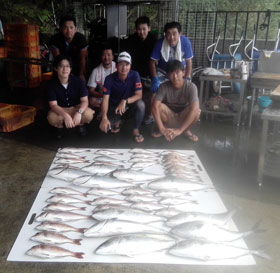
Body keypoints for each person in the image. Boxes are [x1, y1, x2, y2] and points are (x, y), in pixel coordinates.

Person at [147, 21, 194, 124]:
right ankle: (151, 115)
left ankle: (191, 114)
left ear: (180, 34)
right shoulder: (159, 43)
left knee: (188, 89)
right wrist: (154, 79)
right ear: (165, 34)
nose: (171, 37)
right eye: (168, 33)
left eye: (174, 33)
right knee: (154, 91)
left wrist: (187, 77)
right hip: (163, 71)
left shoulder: (185, 42)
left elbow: (189, 61)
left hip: (180, 71)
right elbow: (152, 62)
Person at [99, 52, 145, 143]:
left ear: (130, 66)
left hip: (129, 107)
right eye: (121, 64)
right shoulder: (109, 79)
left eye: (127, 65)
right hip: (115, 109)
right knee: (105, 128)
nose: (124, 68)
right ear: (116, 66)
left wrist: (125, 101)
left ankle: (136, 130)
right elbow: (105, 99)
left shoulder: (135, 75)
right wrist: (104, 118)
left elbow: (139, 95)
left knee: (141, 105)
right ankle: (119, 120)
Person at [151, 60, 200, 142]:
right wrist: (162, 128)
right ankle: (164, 130)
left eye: (177, 72)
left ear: (183, 73)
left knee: (197, 111)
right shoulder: (163, 87)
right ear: (167, 75)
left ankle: (185, 130)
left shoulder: (191, 87)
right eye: (171, 73)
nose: (175, 76)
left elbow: (195, 108)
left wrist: (180, 130)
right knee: (156, 105)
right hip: (168, 117)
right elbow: (154, 107)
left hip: (183, 117)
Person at [47, 55, 94, 139]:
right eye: (61, 66)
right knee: (52, 118)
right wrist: (65, 115)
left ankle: (80, 124)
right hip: (61, 110)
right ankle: (59, 127)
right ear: (55, 68)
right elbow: (53, 105)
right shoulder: (51, 84)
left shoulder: (78, 81)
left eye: (67, 66)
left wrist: (79, 112)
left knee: (88, 114)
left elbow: (85, 101)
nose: (65, 69)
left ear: (71, 69)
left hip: (76, 108)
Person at [124, 16, 157, 125]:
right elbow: (127, 60)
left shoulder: (154, 40)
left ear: (149, 28)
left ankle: (150, 115)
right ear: (136, 29)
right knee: (133, 94)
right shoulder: (130, 40)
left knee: (152, 94)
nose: (141, 32)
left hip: (150, 74)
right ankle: (131, 113)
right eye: (139, 29)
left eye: (144, 29)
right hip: (134, 73)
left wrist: (154, 76)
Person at [50, 15, 88, 82]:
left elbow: (82, 59)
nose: (69, 31)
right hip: (61, 68)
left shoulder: (81, 39)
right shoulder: (55, 39)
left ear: (75, 29)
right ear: (61, 29)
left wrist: (81, 74)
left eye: (71, 27)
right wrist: (67, 74)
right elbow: (58, 60)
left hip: (77, 67)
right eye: (65, 28)